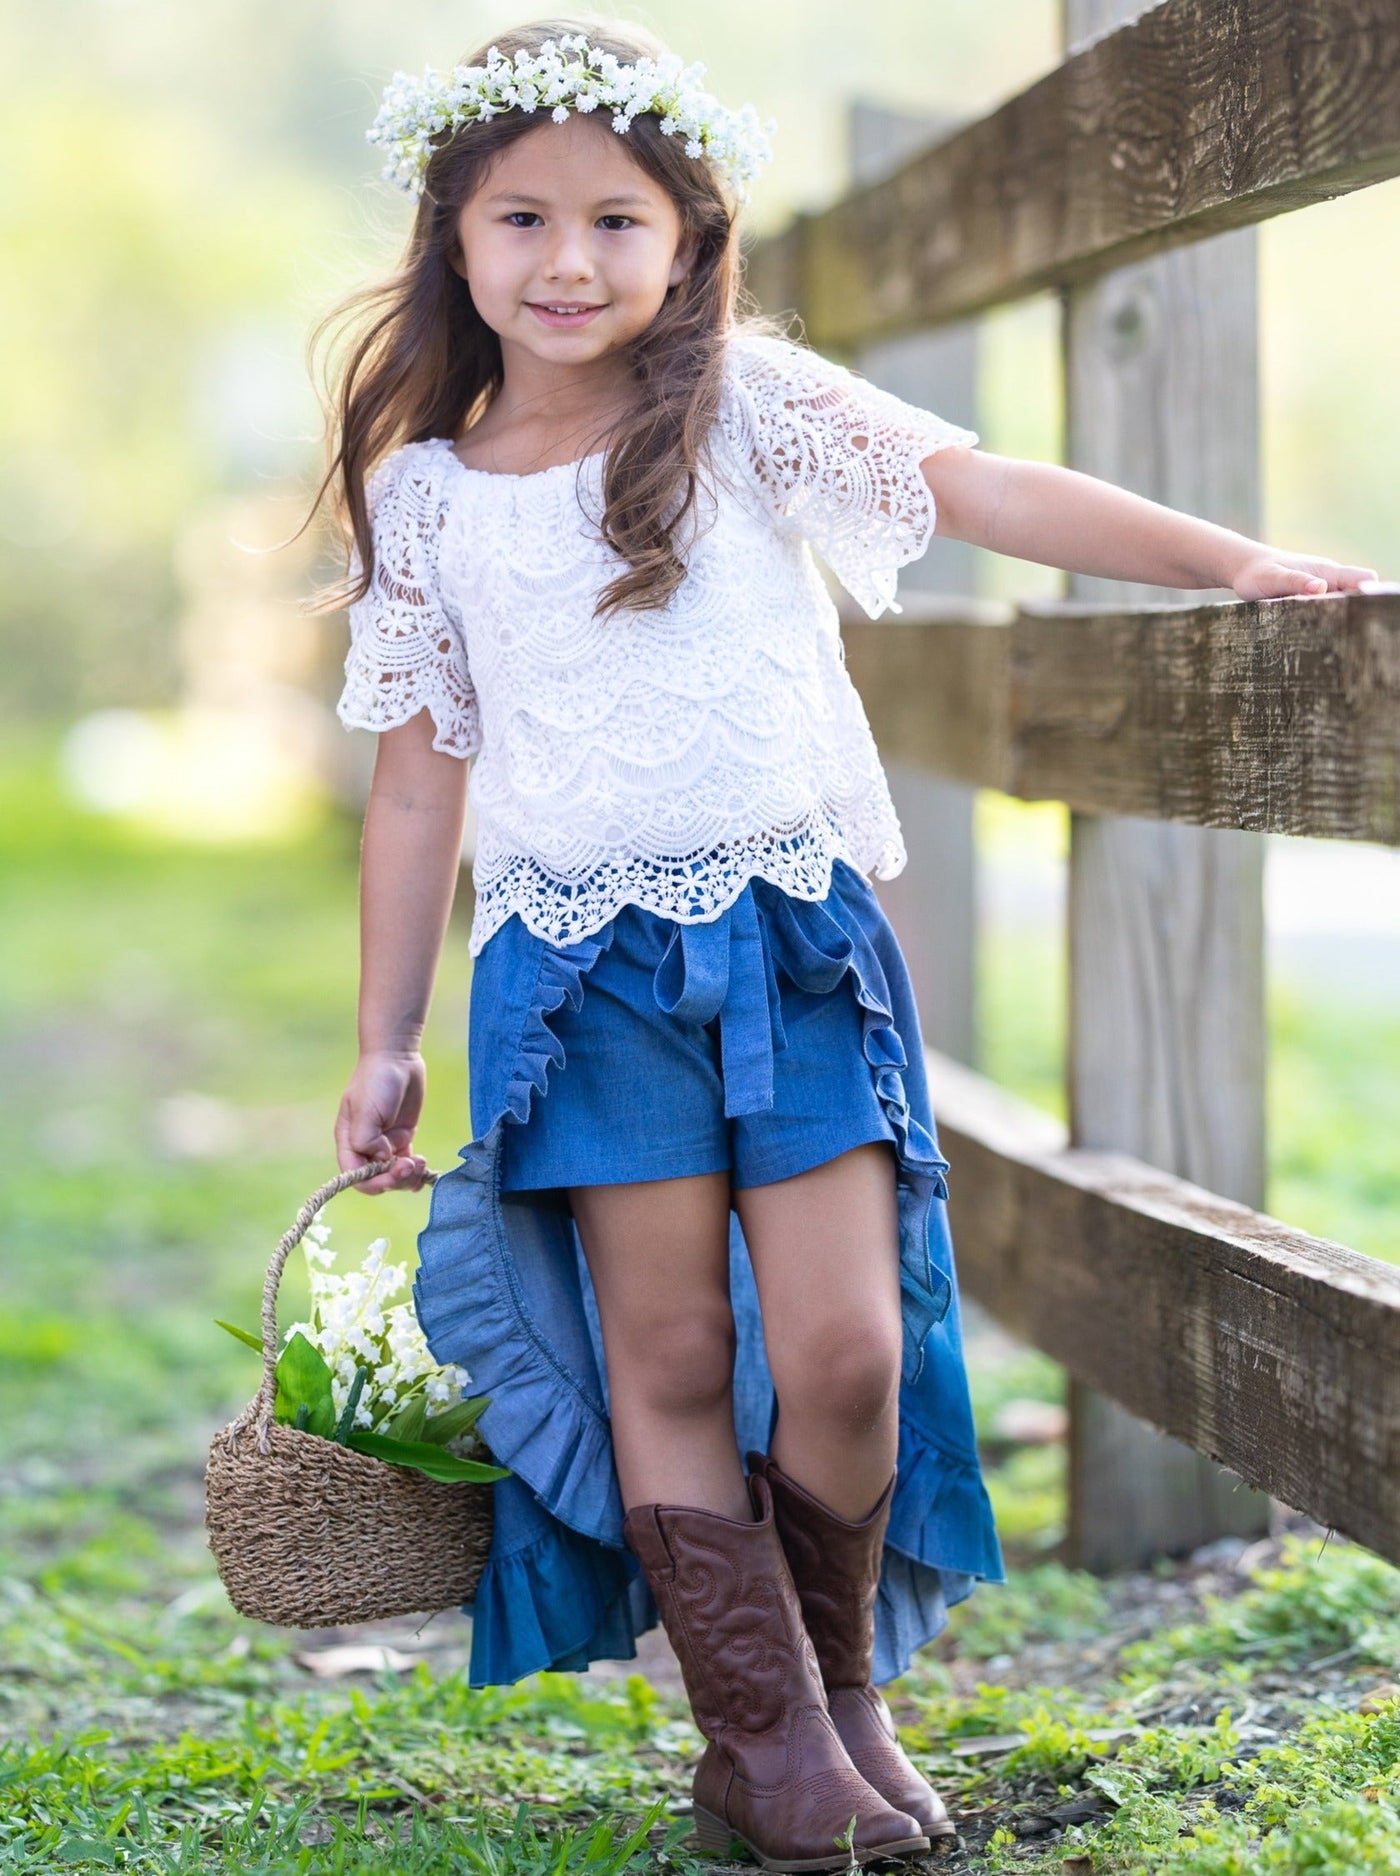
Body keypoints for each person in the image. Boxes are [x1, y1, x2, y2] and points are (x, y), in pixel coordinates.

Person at [308, 19, 1378, 1869]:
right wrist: (386, 1035)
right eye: (524, 221)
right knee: (662, 1358)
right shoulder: (426, 499)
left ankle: (839, 1697)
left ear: (689, 237)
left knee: (847, 1350)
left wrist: (1228, 561)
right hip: (575, 978)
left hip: (791, 941)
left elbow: (986, 489)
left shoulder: (745, 408)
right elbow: (419, 791)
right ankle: (773, 1749)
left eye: (618, 221)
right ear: (453, 241)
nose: (571, 265)